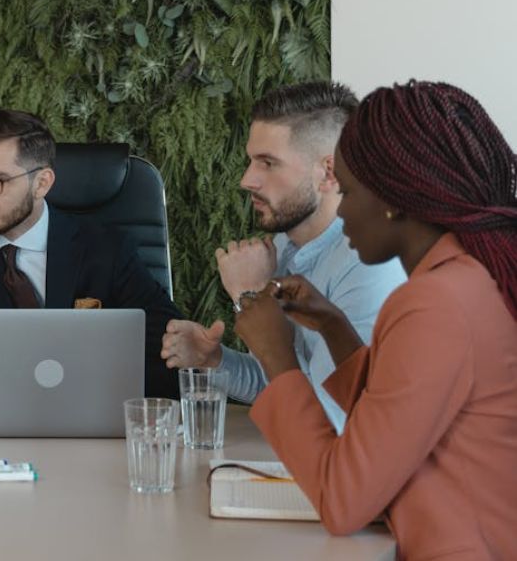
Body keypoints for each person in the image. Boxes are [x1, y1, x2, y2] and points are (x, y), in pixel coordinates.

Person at [234, 81, 517, 558]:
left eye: (346, 191)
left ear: (394, 199)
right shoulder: (469, 276)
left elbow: (343, 502)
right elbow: (402, 414)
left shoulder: (435, 305)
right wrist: (333, 326)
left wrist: (277, 357)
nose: (342, 212)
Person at [160, 82, 404, 431]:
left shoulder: (369, 266)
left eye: (268, 163)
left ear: (328, 173)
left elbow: (331, 421)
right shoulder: (285, 246)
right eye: (251, 161)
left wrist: (252, 297)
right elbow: (280, 380)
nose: (247, 180)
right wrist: (214, 360)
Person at [0, 109, 182, 399]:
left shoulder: (108, 250)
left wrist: (82, 385)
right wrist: (12, 387)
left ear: (42, 183)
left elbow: (174, 353)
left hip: (87, 426)